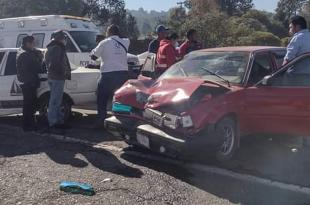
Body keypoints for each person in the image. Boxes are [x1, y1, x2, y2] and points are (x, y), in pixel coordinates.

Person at [91, 24, 130, 126]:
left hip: (108, 75)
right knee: (120, 99)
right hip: (123, 75)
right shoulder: (126, 42)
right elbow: (124, 38)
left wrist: (98, 45)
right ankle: (122, 121)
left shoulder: (104, 43)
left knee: (102, 98)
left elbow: (93, 57)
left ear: (108, 32)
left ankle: (101, 121)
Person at [45, 30, 71, 134]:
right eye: (63, 37)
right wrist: (62, 72)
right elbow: (55, 64)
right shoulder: (57, 48)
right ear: (59, 38)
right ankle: (53, 122)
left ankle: (59, 121)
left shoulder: (52, 47)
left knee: (57, 101)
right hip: (57, 78)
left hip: (54, 77)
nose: (64, 39)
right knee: (55, 101)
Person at [16, 36, 44, 132]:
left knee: (28, 105)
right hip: (29, 83)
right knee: (29, 106)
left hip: (26, 82)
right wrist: (40, 58)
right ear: (28, 43)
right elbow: (38, 68)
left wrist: (34, 52)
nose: (34, 45)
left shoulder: (22, 52)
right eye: (33, 43)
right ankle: (29, 126)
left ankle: (28, 125)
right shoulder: (26, 55)